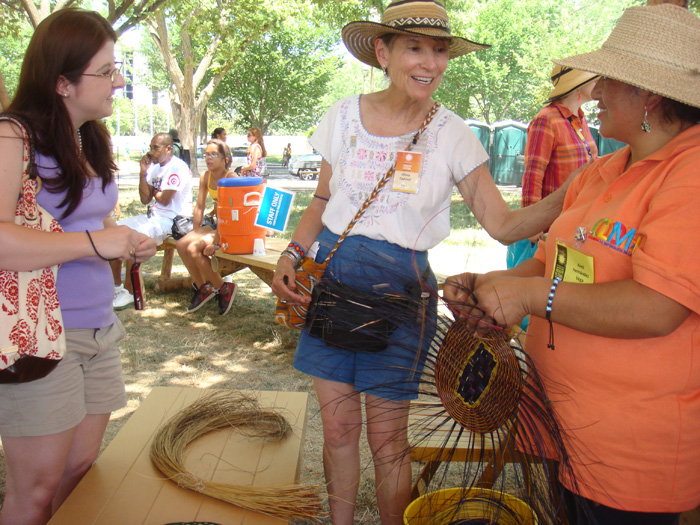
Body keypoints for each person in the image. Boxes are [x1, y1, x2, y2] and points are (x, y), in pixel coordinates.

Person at [271, 1, 572, 522]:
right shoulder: (343, 115)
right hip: (336, 285)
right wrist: (292, 252)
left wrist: (574, 192)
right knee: (339, 430)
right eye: (415, 48)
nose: (430, 63)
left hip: (401, 294)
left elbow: (503, 225)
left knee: (388, 441)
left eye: (439, 51)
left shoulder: (452, 133)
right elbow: (321, 201)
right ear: (383, 53)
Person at [445, 4, 700, 524]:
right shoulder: (601, 171)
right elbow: (544, 264)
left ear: (649, 94)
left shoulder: (689, 173)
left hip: (629, 447)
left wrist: (531, 298)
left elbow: (659, 308)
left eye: (607, 79)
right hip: (555, 421)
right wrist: (486, 285)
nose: (596, 93)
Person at [0, 9, 157, 523]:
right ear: (63, 82)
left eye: (118, 68)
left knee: (79, 469)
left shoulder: (90, 137)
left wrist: (126, 242)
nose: (119, 81)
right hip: (40, 337)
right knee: (38, 489)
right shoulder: (12, 137)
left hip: (98, 327)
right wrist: (97, 242)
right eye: (107, 71)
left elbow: (83, 226)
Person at [508, 66, 599, 330]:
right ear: (578, 87)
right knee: (531, 310)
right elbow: (532, 175)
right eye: (594, 80)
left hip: (572, 230)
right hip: (546, 231)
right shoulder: (546, 119)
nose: (601, 86)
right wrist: (532, 228)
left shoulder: (579, 120)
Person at [111, 132, 193, 309]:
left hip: (172, 220)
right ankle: (116, 287)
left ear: (168, 148)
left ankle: (130, 290)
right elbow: (145, 199)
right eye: (150, 147)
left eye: (156, 148)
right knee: (114, 231)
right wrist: (143, 173)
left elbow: (164, 199)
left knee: (135, 238)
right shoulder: (155, 168)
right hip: (153, 216)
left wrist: (153, 189)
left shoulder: (177, 167)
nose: (151, 152)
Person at [176, 139, 238, 315]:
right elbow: (200, 207)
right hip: (219, 223)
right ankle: (204, 288)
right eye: (206, 154)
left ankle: (223, 288)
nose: (208, 158)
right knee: (182, 244)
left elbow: (230, 214)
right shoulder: (205, 176)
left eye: (214, 154)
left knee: (194, 248)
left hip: (233, 227)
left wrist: (217, 242)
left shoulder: (231, 178)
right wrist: (196, 231)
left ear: (225, 158)